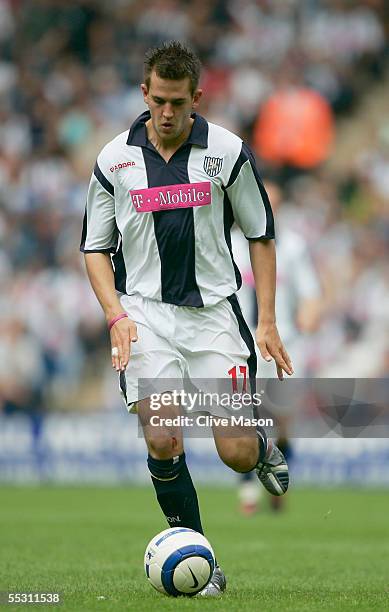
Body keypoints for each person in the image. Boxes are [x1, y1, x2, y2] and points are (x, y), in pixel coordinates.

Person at [80, 41, 293, 596]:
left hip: (214, 318)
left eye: (178, 102)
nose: (167, 113)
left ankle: (262, 448)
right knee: (163, 437)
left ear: (196, 97)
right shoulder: (113, 160)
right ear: (144, 95)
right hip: (143, 317)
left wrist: (266, 320)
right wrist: (114, 315)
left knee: (236, 454)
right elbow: (94, 249)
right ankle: (198, 556)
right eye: (158, 101)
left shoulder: (227, 152)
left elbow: (260, 233)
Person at [233, 181, 322, 514]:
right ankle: (247, 493)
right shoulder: (230, 244)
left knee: (282, 419)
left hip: (283, 343)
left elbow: (311, 293)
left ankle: (277, 480)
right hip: (240, 344)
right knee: (243, 415)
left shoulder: (293, 247)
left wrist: (309, 317)